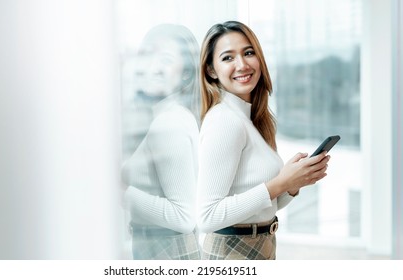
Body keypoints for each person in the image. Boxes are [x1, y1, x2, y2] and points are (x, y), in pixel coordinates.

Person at [196, 20, 331, 260]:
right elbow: (207, 216)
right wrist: (280, 183)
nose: (242, 64)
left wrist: (292, 183)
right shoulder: (225, 120)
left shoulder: (252, 119)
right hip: (232, 254)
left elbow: (266, 206)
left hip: (261, 245)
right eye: (228, 58)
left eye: (249, 53)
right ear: (211, 70)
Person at [121, 24, 201, 260]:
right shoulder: (170, 116)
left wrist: (118, 192)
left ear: (186, 73)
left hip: (167, 254)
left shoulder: (169, 123)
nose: (152, 66)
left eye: (165, 59)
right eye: (147, 55)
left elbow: (184, 217)